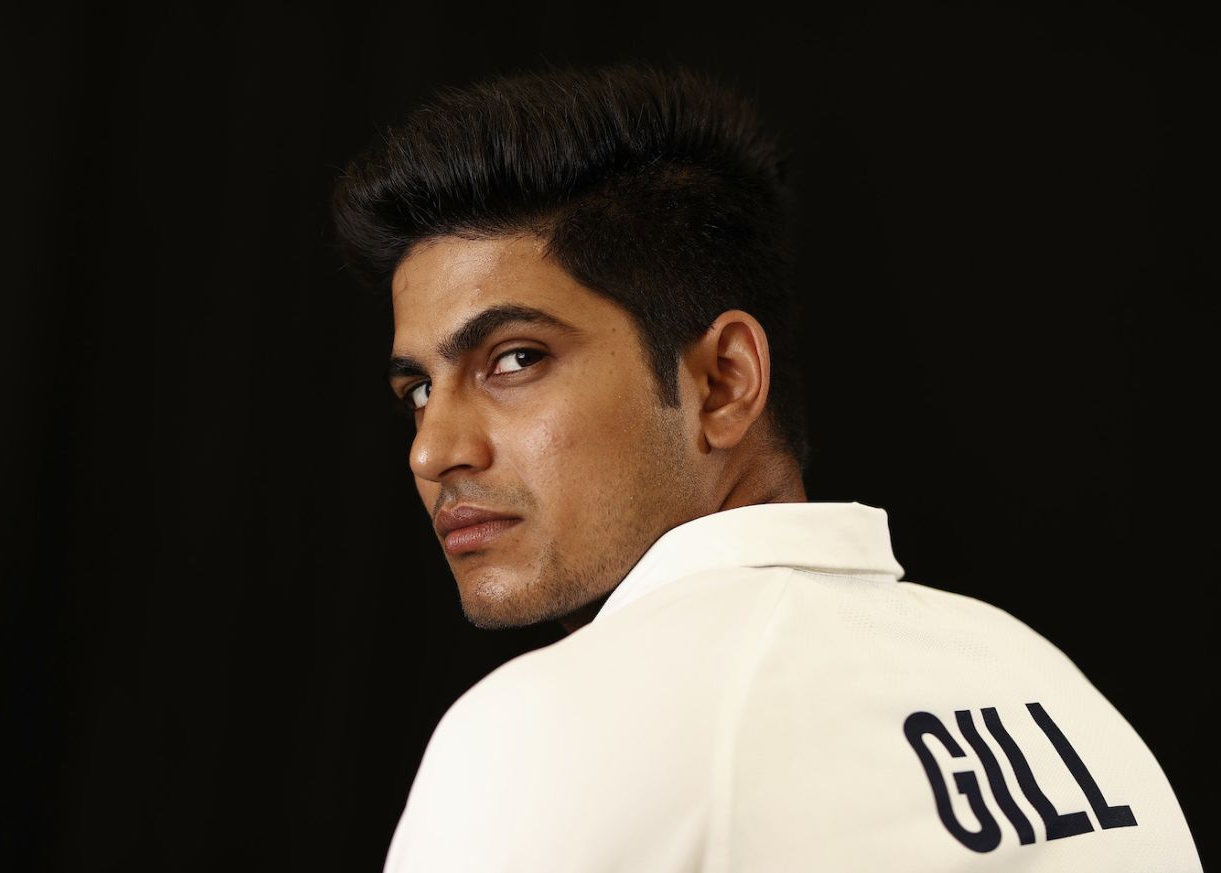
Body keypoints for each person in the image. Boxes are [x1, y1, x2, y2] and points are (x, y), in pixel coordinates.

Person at [333, 65, 1201, 872]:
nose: (434, 449)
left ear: (723, 382)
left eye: (514, 359)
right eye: (418, 390)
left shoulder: (535, 732)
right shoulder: (1054, 696)